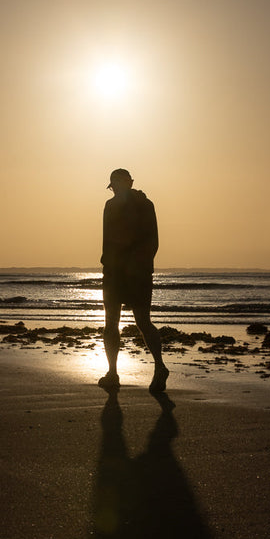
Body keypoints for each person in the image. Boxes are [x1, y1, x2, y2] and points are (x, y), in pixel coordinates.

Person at [98, 168, 169, 394]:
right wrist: (108, 266)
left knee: (142, 321)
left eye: (118, 184)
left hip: (137, 274)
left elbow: (153, 241)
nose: (116, 188)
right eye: (113, 185)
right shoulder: (109, 206)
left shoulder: (145, 205)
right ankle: (112, 373)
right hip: (114, 274)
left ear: (128, 183)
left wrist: (140, 266)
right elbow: (106, 240)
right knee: (111, 323)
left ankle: (159, 367)